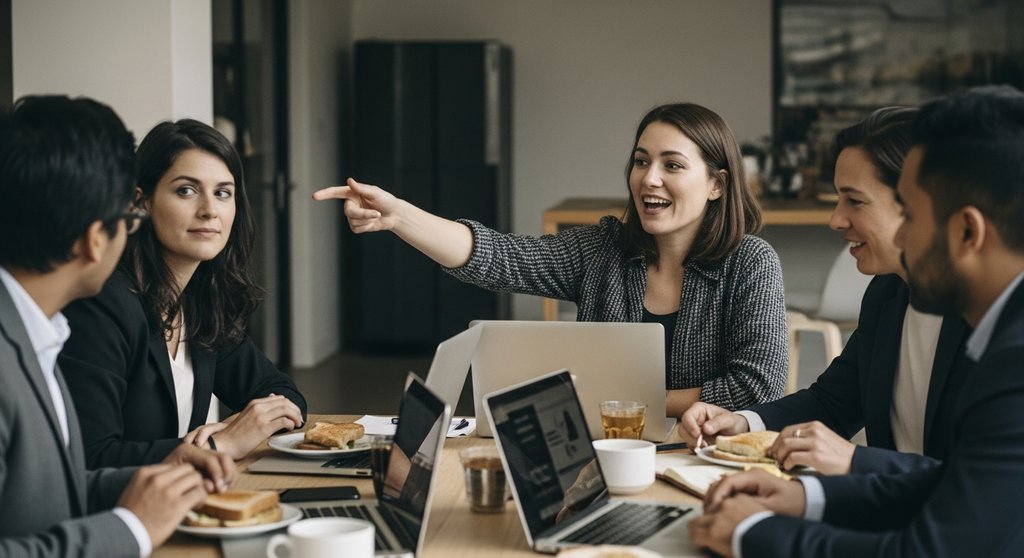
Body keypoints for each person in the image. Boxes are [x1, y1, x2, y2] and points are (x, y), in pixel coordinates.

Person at [690, 85, 1024, 557]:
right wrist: (810, 496)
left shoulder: (1014, 357)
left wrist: (750, 534)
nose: (905, 234)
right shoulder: (958, 314)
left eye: (912, 213)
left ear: (968, 230)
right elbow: (956, 483)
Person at [314, 103, 788, 415]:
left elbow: (759, 387)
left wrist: (633, 404)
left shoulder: (750, 263)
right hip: (601, 453)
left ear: (717, 185)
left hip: (704, 458)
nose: (649, 179)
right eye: (641, 161)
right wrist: (399, 218)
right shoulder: (603, 250)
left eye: (673, 165)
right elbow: (499, 257)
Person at [0, 95, 235, 557]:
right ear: (94, 240)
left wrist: (151, 477)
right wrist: (131, 528)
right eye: (129, 220)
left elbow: (44, 497)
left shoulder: (38, 334)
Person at [679, 108, 972, 475]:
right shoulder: (888, 294)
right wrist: (744, 423)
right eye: (837, 199)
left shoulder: (990, 318)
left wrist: (853, 460)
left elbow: (985, 484)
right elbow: (833, 403)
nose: (835, 220)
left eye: (855, 200)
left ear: (918, 203)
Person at [59, 119, 307, 468]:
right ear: (140, 202)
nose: (209, 209)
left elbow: (281, 391)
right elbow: (90, 459)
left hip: (182, 506)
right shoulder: (103, 306)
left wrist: (243, 424)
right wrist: (220, 445)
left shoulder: (200, 300)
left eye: (223, 192)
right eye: (186, 191)